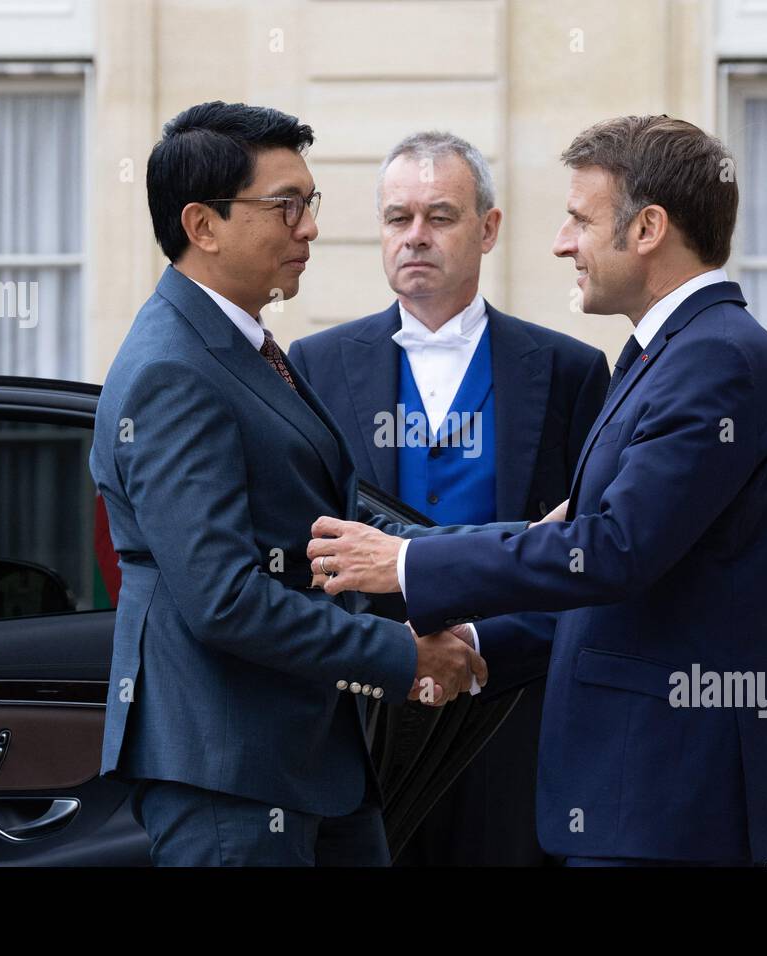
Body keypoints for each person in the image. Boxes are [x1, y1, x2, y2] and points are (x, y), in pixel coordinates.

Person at [306, 115, 767, 866]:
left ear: (647, 229)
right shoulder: (663, 357)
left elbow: (610, 552)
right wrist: (475, 643)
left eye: (579, 218)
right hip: (631, 796)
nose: (562, 242)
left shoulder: (716, 362)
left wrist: (407, 563)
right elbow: (600, 567)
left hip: (668, 796)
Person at [90, 101, 485, 866]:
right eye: (287, 206)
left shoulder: (242, 344)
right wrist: (402, 658)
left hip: (308, 764)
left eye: (311, 203)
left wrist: (516, 548)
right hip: (229, 772)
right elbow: (225, 600)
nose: (309, 227)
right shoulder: (173, 368)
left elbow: (335, 526)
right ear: (202, 225)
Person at [288, 131, 607, 866]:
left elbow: (591, 559)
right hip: (367, 714)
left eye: (441, 216)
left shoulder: (570, 371)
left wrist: (495, 649)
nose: (416, 237)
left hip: (510, 715)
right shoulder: (315, 366)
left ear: (488, 228)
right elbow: (307, 546)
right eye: (398, 218)